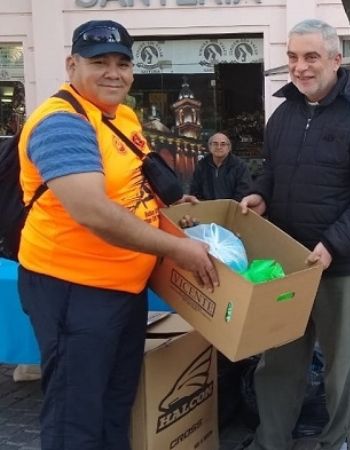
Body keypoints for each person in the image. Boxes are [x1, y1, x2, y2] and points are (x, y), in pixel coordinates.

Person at [16, 20, 218, 450]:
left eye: (122, 63)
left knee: (115, 405)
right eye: (99, 62)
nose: (113, 72)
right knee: (77, 418)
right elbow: (95, 213)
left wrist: (170, 209)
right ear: (72, 65)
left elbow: (133, 183)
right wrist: (178, 248)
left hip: (123, 288)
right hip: (74, 289)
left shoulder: (122, 116)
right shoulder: (62, 124)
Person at [239, 19, 350, 450]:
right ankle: (271, 440)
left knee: (341, 367)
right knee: (278, 361)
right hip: (287, 265)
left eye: (310, 57)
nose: (300, 68)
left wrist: (333, 244)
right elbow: (271, 171)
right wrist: (259, 195)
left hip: (340, 266)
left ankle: (335, 440)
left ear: (334, 59)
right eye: (292, 57)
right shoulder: (284, 113)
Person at [190, 132, 253, 201]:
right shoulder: (202, 165)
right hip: (207, 208)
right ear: (210, 147)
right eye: (215, 144)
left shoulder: (240, 166)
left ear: (229, 148)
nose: (219, 147)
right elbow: (195, 191)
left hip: (233, 208)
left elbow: (244, 192)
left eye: (223, 144)